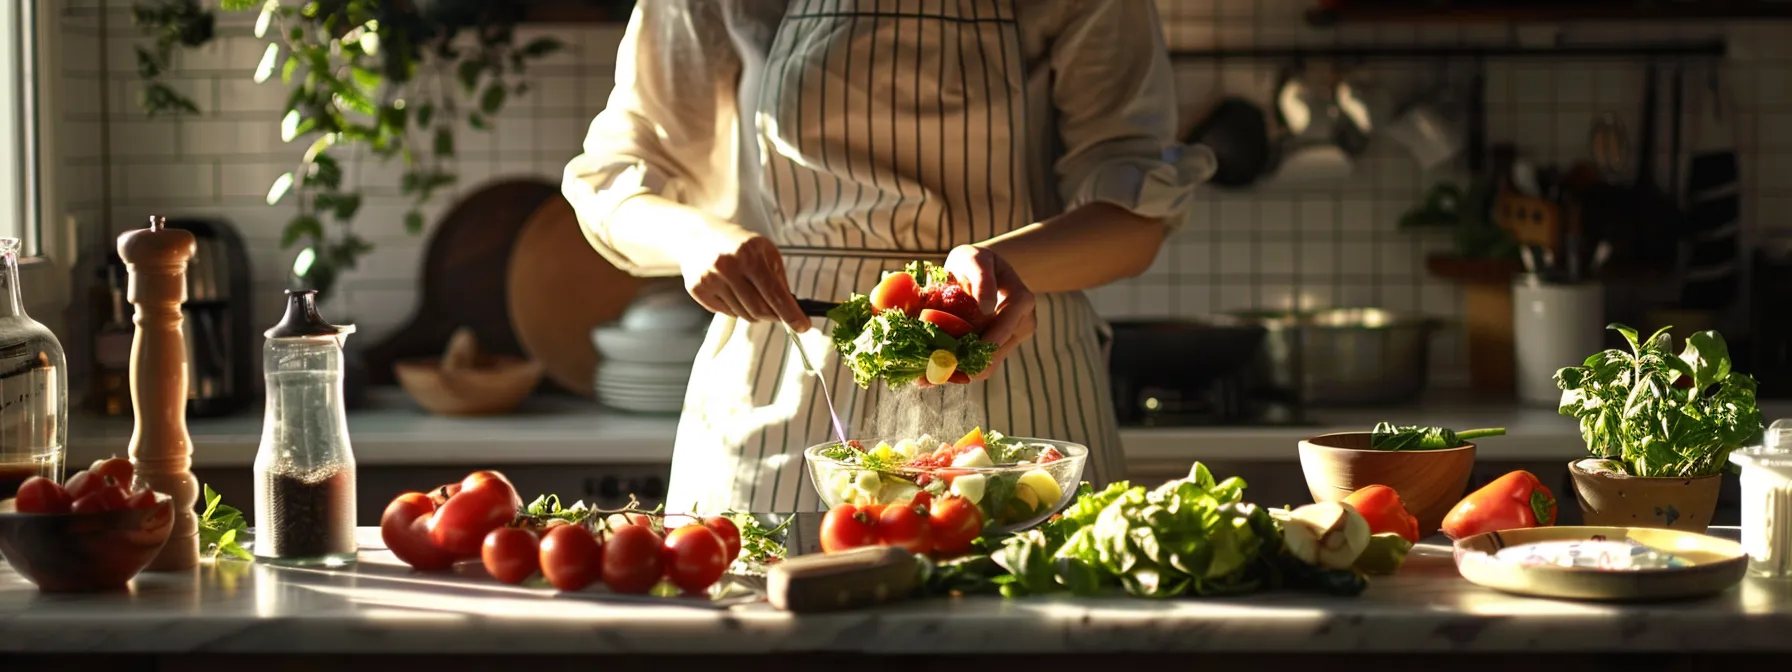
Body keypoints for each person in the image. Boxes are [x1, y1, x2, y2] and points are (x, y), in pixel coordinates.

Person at [564, 0, 1209, 515]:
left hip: (1017, 368)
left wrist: (997, 263)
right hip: (780, 396)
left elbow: (1136, 218)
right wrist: (696, 237)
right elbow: (619, 180)